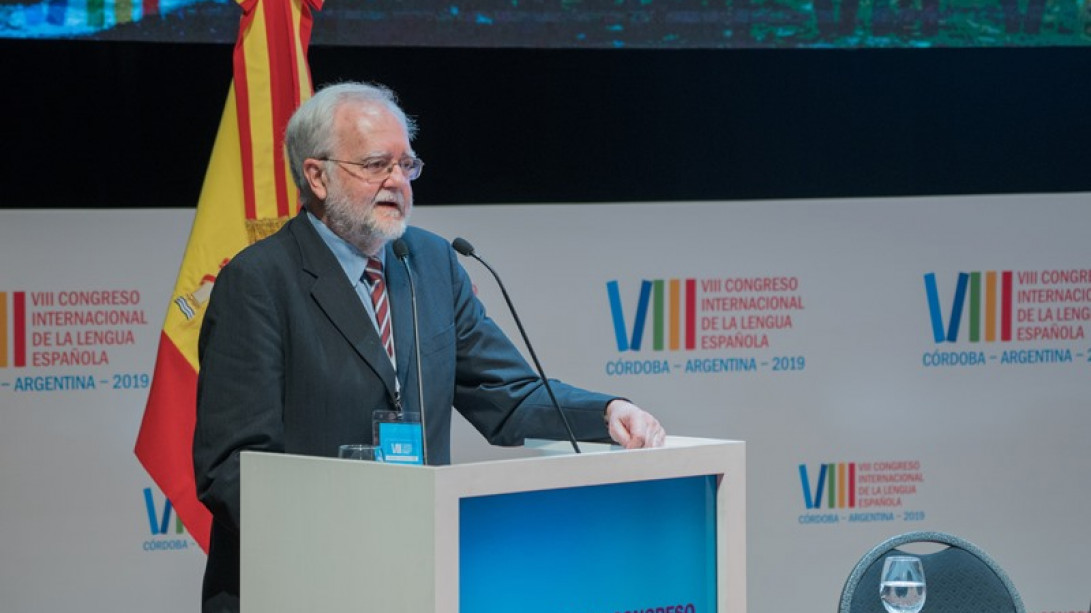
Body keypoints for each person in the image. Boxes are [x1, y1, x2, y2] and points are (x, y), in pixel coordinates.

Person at [192, 81, 666, 613]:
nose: (397, 181)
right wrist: (347, 532)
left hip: (415, 574)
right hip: (298, 585)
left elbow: (506, 394)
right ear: (317, 177)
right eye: (376, 165)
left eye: (407, 165)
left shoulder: (433, 263)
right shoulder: (259, 282)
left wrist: (605, 412)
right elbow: (232, 468)